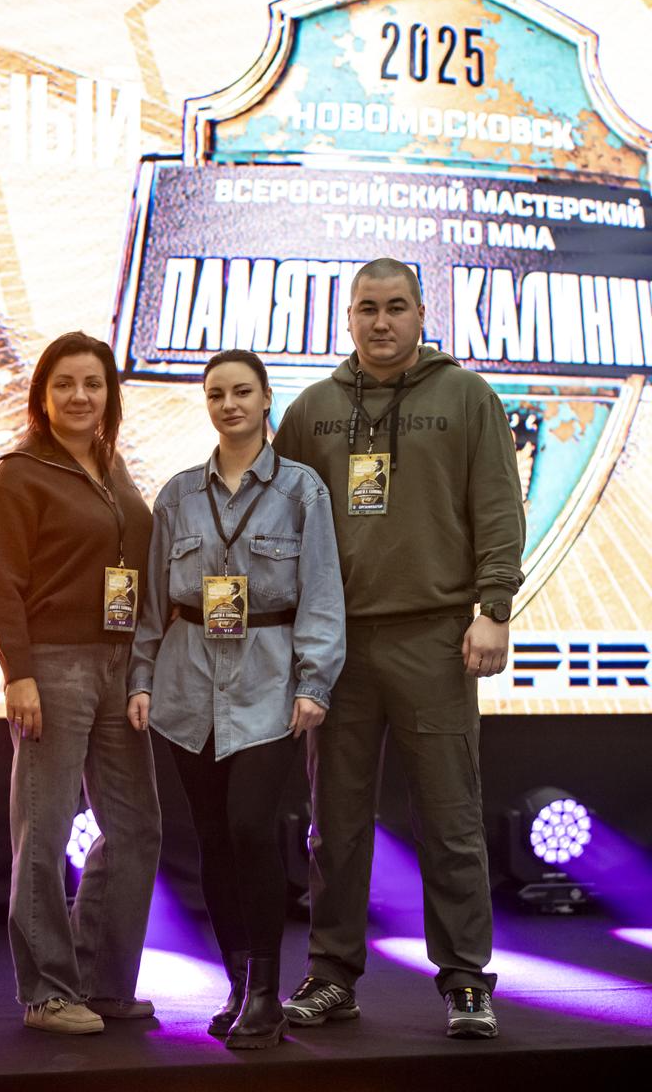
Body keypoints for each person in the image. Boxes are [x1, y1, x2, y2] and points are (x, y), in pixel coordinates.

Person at [272, 258, 525, 1039]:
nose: (381, 322)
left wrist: (494, 608)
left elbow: (498, 505)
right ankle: (331, 975)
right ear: (348, 317)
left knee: (451, 820)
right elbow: (279, 527)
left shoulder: (467, 397)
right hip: (337, 648)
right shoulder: (311, 410)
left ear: (421, 314)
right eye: (367, 309)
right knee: (334, 826)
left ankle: (465, 982)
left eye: (396, 307)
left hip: (435, 639)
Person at [127, 348, 345, 1049]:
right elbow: (153, 602)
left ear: (265, 397)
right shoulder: (177, 495)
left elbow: (322, 591)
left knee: (251, 827)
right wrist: (141, 677)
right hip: (187, 687)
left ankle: (267, 995)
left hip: (268, 685)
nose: (230, 405)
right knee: (213, 839)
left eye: (243, 391)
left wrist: (314, 681)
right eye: (217, 393)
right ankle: (239, 982)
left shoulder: (302, 490)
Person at [0, 331, 162, 1035]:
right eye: (64, 384)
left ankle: (104, 984)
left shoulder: (111, 464)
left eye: (93, 383)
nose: (80, 396)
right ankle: (47, 993)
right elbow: (2, 583)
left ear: (110, 393)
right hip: (52, 666)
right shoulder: (19, 472)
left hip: (119, 662)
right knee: (45, 830)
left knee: (136, 828)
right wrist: (19, 675)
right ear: (42, 394)